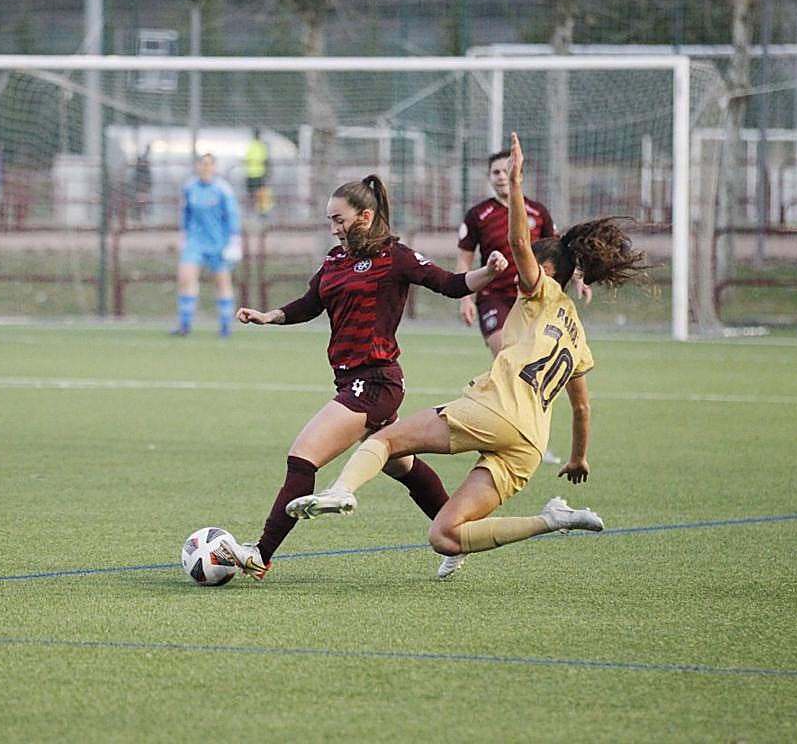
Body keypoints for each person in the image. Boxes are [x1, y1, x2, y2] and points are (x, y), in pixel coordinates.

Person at [286, 133, 647, 580]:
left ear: (546, 270)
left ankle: (341, 491)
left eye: (529, 265)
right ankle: (552, 519)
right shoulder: (577, 333)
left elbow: (519, 242)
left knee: (384, 440)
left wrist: (515, 185)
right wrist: (578, 458)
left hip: (496, 409)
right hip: (529, 446)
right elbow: (582, 406)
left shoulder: (540, 290)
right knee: (446, 535)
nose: (521, 272)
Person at [217, 173, 509, 581]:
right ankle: (456, 535)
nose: (334, 228)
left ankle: (260, 555)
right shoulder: (334, 261)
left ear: (366, 216)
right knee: (400, 464)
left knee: (303, 457)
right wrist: (271, 316)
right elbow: (309, 304)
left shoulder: (396, 257)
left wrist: (489, 273)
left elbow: (451, 284)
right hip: (352, 380)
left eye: (339, 219)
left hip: (374, 382)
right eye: (329, 221)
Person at [456, 148, 592, 466]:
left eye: (506, 171)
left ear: (517, 174)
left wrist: (579, 279)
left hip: (535, 303)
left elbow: (560, 254)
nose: (501, 177)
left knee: (532, 367)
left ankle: (524, 433)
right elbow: (464, 256)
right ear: (490, 178)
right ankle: (498, 426)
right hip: (495, 297)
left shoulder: (538, 212)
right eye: (495, 173)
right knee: (507, 356)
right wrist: (465, 296)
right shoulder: (479, 215)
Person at [173, 153, 242, 337]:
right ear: (197, 166)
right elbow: (186, 213)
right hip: (195, 242)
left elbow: (232, 215)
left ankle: (225, 327)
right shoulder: (190, 187)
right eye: (202, 164)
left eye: (208, 164)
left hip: (218, 244)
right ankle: (185, 325)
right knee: (186, 279)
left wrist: (234, 241)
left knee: (222, 283)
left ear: (214, 167)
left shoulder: (222, 189)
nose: (205, 168)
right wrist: (184, 235)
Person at [243, 128, 272, 218]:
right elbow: (266, 160)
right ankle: (262, 212)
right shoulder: (261, 146)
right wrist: (268, 172)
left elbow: (246, 159)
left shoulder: (250, 145)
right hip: (259, 174)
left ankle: (250, 212)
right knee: (261, 193)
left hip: (250, 174)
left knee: (251, 194)